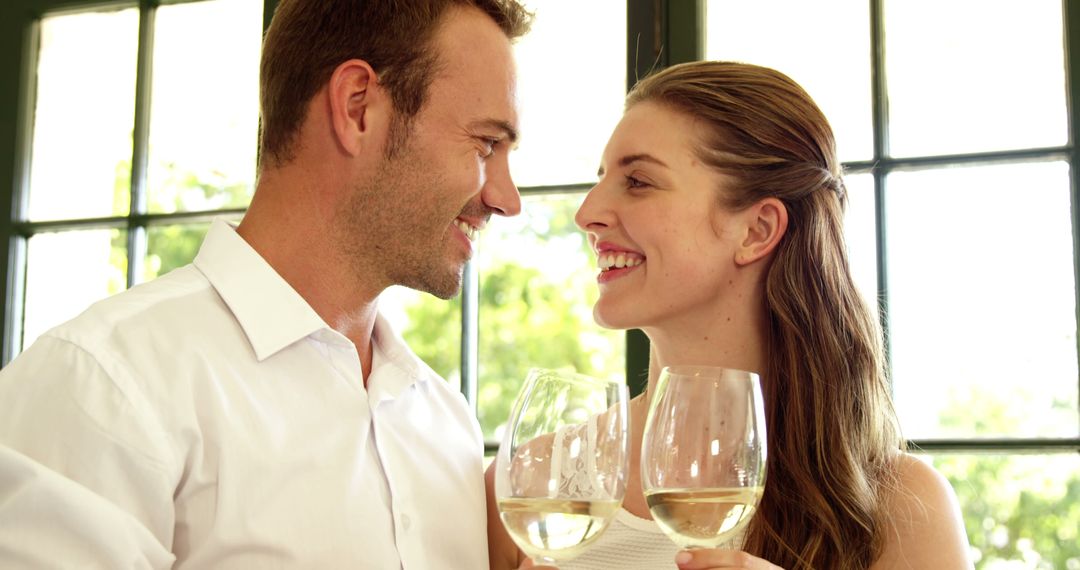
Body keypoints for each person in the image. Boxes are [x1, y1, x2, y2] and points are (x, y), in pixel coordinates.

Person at [0, 0, 531, 567]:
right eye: (485, 145)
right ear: (358, 108)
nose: (508, 198)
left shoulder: (447, 426)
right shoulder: (101, 385)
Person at [486, 61, 973, 570]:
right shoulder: (531, 480)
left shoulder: (901, 510)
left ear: (757, 230)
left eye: (639, 181)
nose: (586, 212)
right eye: (602, 178)